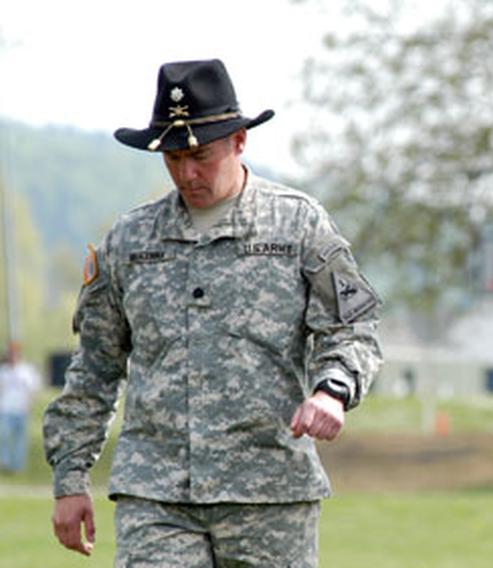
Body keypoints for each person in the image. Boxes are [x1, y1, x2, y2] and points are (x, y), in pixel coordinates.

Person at [42, 59, 382, 567]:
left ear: (240, 141)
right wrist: (70, 479)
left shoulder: (298, 225)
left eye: (201, 156)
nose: (188, 172)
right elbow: (94, 369)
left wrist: (332, 389)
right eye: (174, 158)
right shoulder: (130, 241)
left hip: (269, 492)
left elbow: (353, 328)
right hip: (156, 495)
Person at [0, 342, 41, 473]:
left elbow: (33, 389)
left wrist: (29, 404)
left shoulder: (26, 371)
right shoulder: (3, 372)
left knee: (20, 439)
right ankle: (4, 462)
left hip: (21, 409)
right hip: (5, 408)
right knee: (4, 436)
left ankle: (17, 466)